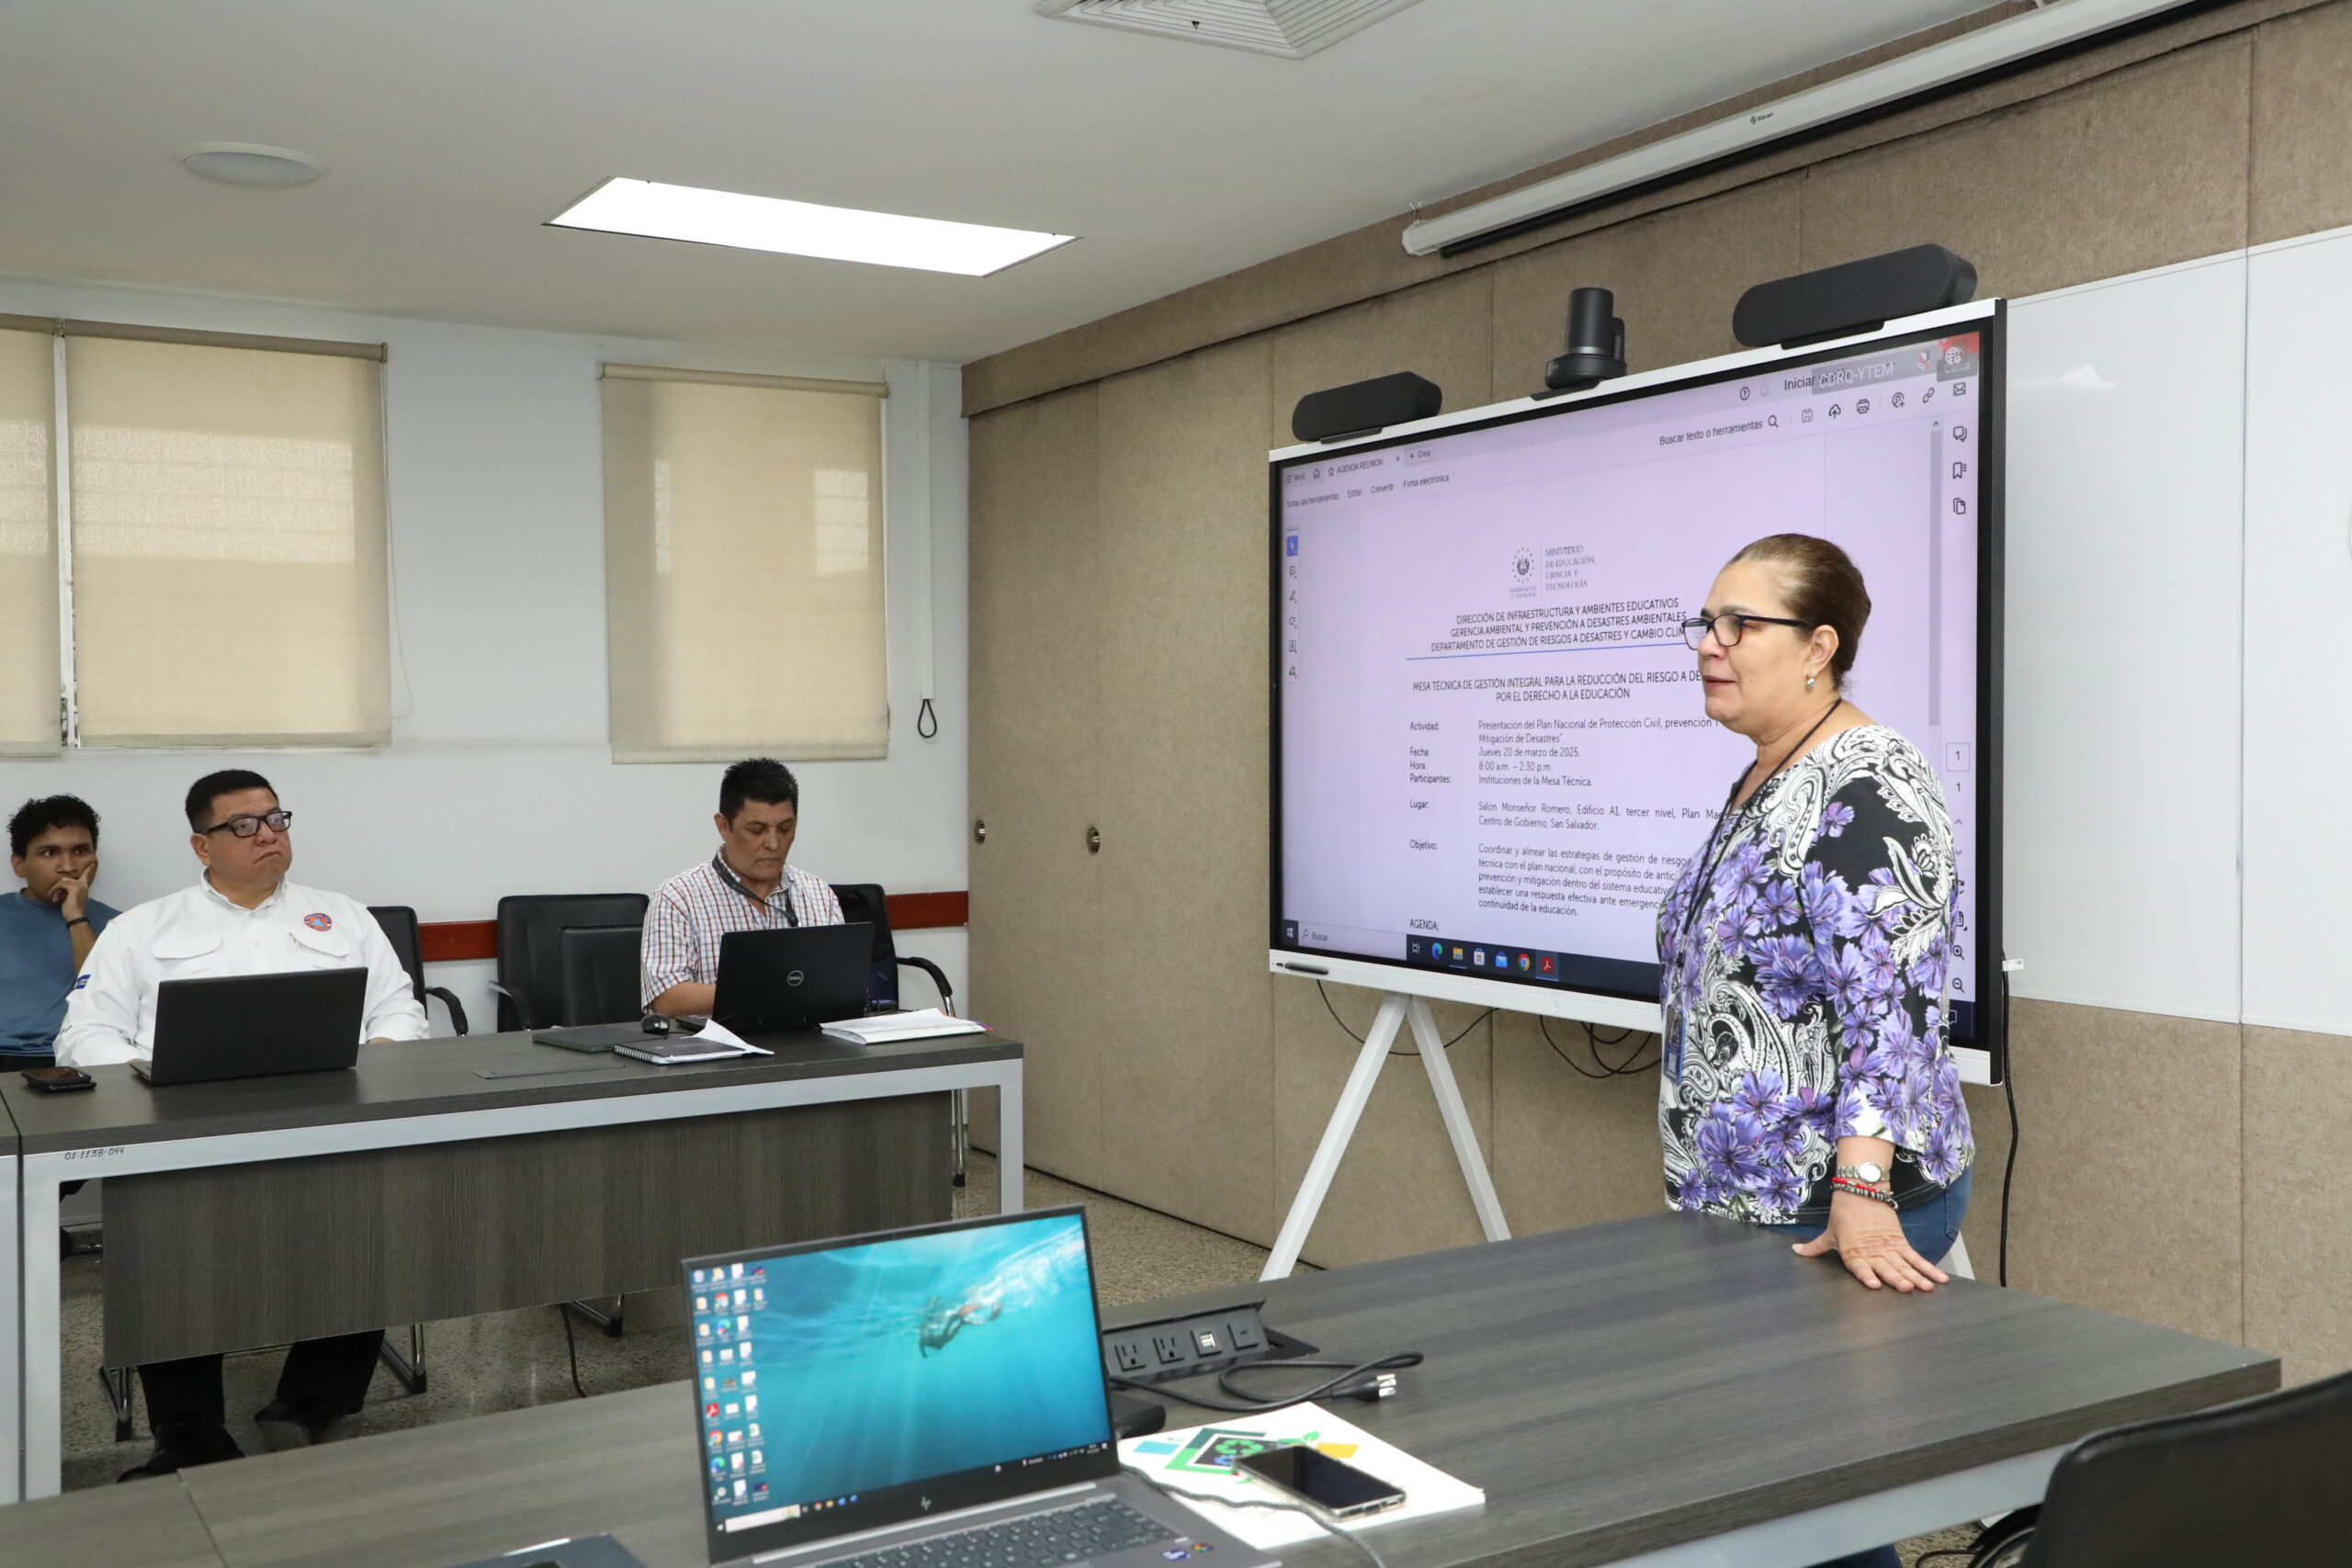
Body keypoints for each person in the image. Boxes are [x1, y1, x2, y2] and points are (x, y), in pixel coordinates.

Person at [1655, 536, 1975, 1568]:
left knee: (1806, 1504)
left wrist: (1862, 1194)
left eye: (1739, 623)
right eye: (1706, 622)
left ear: (1819, 647)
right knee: (1782, 1491)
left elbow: (1892, 1013)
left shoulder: (1869, 783)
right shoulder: (1767, 772)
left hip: (1831, 1205)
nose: (1710, 643)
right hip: (1748, 1201)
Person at [55, 768, 426, 1479]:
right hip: (186, 1134)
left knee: (371, 1216)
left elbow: (400, 1012)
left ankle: (311, 1399)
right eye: (244, 825)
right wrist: (152, 1074)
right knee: (165, 1237)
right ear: (203, 844)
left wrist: (374, 1057)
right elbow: (83, 1034)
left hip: (330, 1123)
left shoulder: (344, 916)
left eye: (277, 819)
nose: (268, 834)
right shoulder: (143, 928)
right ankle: (189, 1428)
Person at [643, 758, 844, 1018]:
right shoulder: (678, 898)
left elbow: (841, 984)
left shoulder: (818, 894)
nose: (773, 843)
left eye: (785, 828)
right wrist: (769, 989)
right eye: (757, 830)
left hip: (808, 1037)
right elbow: (667, 1000)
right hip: (718, 1042)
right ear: (724, 826)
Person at [3, 795, 119, 1065]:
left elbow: (104, 996)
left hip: (77, 1059)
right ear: (19, 864)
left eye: (81, 851)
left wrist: (76, 917)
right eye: (49, 853)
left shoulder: (120, 925)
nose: (68, 867)